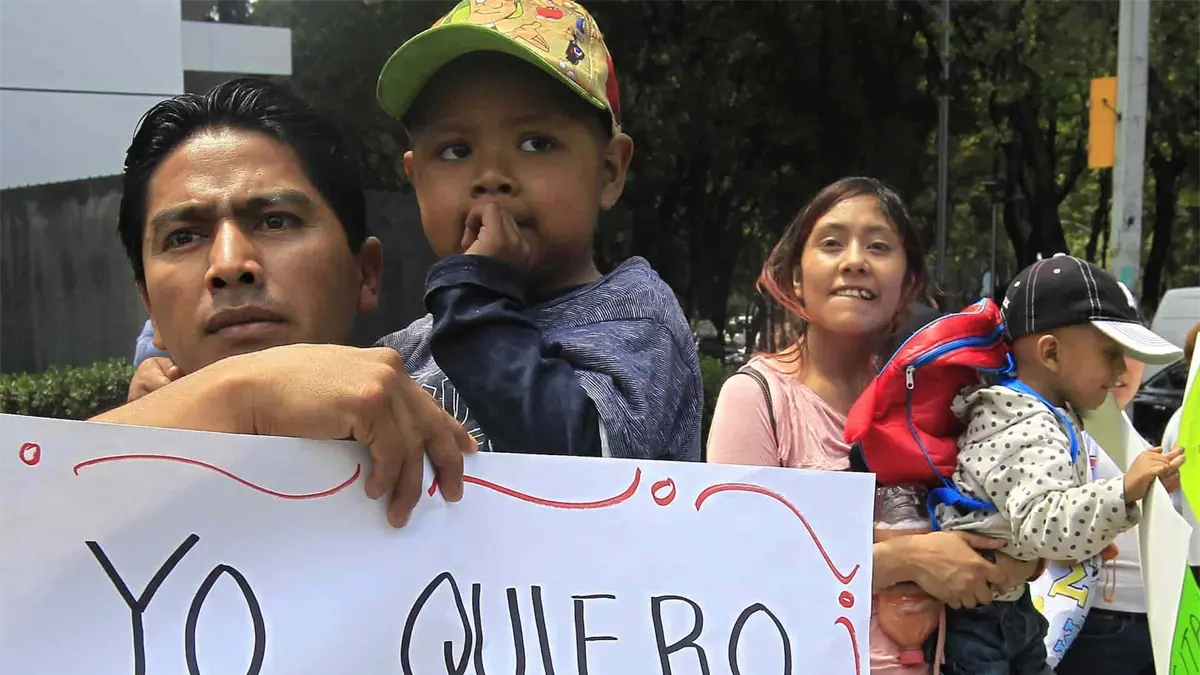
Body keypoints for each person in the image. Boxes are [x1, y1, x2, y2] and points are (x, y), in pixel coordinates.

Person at [94, 78, 475, 528]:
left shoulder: (479, 405)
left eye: (276, 221)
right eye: (183, 237)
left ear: (366, 272)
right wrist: (245, 401)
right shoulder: (72, 489)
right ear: (149, 306)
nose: (229, 264)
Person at [706, 177, 1037, 675]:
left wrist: (1016, 561)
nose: (855, 261)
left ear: (907, 280)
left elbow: (1006, 519)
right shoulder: (757, 398)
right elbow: (738, 569)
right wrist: (909, 560)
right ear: (796, 278)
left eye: (879, 246)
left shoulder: (945, 396)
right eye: (831, 243)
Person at [370, 0, 702, 460]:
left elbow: (582, 469)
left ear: (609, 171)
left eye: (536, 143)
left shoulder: (637, 317)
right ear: (417, 182)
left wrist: (475, 298)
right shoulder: (405, 352)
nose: (490, 176)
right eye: (455, 150)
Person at [932, 255, 1184, 674]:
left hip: (1008, 607)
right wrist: (1124, 490)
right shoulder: (1022, 420)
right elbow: (1046, 525)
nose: (1120, 371)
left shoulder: (1042, 413)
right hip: (981, 619)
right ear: (1050, 353)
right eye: (1110, 353)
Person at [1053, 342, 1177, 675]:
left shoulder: (1116, 422)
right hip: (1097, 616)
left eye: (1135, 351)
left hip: (1144, 615)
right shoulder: (1062, 425)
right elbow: (1054, 525)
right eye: (1107, 350)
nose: (1122, 367)